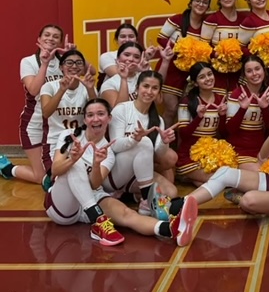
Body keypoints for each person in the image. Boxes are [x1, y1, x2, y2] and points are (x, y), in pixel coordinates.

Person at [44, 98, 197, 247]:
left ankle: (170, 229)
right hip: (62, 204)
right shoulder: (69, 135)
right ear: (84, 120)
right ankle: (98, 221)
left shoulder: (108, 151)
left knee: (127, 213)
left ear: (109, 118)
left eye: (100, 114)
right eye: (90, 115)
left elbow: (94, 184)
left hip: (90, 198)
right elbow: (55, 171)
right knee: (75, 166)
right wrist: (72, 159)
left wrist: (96, 164)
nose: (95, 119)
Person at [162, 88, 269, 218]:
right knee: (224, 172)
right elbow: (262, 157)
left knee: (249, 201)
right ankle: (181, 205)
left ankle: (253, 198)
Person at [106, 71, 179, 216]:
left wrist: (164, 142)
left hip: (137, 176)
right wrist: (134, 139)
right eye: (146, 86)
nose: (149, 91)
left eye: (154, 88)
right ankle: (146, 201)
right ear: (137, 88)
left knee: (172, 192)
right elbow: (114, 146)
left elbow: (158, 154)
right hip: (114, 173)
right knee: (144, 142)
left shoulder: (158, 120)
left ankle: (130, 196)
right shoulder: (122, 109)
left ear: (159, 93)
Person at [1, 25, 67, 184]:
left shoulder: (65, 62)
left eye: (55, 36)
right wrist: (44, 64)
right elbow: (33, 90)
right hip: (35, 123)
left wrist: (73, 54)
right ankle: (7, 168)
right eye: (47, 35)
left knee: (58, 172)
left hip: (56, 124)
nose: (51, 38)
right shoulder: (28, 61)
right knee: (41, 176)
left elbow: (89, 72)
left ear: (60, 42)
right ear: (39, 39)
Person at [156, 0, 212, 126]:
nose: (201, 4)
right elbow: (161, 38)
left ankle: (181, 145)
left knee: (185, 112)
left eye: (205, 2)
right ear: (191, 3)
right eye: (197, 1)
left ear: (208, 7)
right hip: (171, 70)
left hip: (190, 75)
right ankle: (163, 143)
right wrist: (181, 50)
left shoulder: (207, 25)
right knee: (171, 109)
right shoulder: (178, 19)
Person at [40, 50, 97, 183]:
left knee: (85, 174)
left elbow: (96, 114)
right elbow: (46, 112)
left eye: (78, 63)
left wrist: (90, 89)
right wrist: (62, 90)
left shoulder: (87, 86)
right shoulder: (49, 86)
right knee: (62, 177)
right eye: (69, 62)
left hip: (81, 138)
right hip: (55, 141)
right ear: (61, 67)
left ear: (83, 67)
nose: (74, 66)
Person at [225, 55, 269, 171]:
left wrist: (265, 108)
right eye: (249, 71)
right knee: (261, 174)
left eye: (257, 69)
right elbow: (230, 129)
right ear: (244, 75)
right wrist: (242, 109)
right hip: (240, 151)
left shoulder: (266, 94)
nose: (254, 74)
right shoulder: (238, 94)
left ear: (263, 70)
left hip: (261, 150)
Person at [176, 62, 227, 186]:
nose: (208, 79)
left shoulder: (221, 99)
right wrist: (198, 118)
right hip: (189, 156)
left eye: (210, 74)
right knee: (220, 180)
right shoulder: (187, 101)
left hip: (211, 156)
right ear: (195, 82)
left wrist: (222, 115)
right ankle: (186, 174)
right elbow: (183, 135)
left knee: (223, 178)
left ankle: (192, 179)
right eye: (202, 77)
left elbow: (224, 134)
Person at [201, 0, 245, 94]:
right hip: (217, 70)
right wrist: (217, 55)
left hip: (238, 71)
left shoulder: (244, 19)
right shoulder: (212, 19)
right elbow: (203, 46)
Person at [100, 41, 172, 108]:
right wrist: (124, 79)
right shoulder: (109, 84)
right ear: (117, 59)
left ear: (141, 60)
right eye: (127, 55)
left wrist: (165, 61)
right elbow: (119, 110)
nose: (131, 59)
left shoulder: (144, 75)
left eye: (136, 57)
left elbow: (157, 101)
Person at [97, 23, 153, 90]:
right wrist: (140, 68)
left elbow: (151, 81)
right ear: (116, 40)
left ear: (136, 40)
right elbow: (119, 74)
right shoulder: (106, 56)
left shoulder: (141, 59)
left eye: (131, 36)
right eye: (123, 36)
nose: (127, 40)